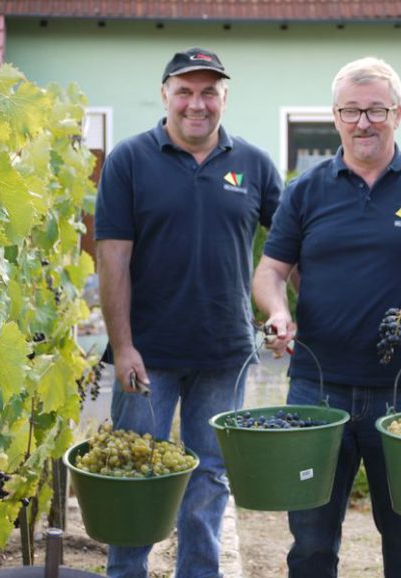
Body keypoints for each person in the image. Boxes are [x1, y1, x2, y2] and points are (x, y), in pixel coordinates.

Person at [252, 56, 401, 578]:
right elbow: (269, 271)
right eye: (351, 111)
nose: (363, 122)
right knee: (310, 543)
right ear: (334, 116)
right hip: (316, 390)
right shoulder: (305, 190)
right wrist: (276, 311)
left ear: (398, 113)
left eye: (376, 110)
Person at [94, 47, 282, 578]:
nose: (196, 104)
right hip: (146, 356)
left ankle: (199, 573)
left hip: (225, 352)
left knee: (211, 474)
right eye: (185, 91)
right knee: (134, 472)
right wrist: (124, 345)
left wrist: (285, 311)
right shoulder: (129, 160)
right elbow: (113, 257)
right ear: (165, 96)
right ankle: (126, 572)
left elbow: (289, 245)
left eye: (208, 92)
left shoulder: (255, 164)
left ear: (224, 97)